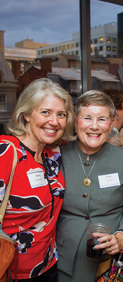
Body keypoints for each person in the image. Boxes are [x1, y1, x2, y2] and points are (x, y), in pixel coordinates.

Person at [56, 90, 123, 282]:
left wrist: (121, 237)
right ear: (76, 121)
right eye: (87, 118)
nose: (94, 126)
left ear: (111, 123)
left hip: (109, 265)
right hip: (63, 259)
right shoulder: (58, 155)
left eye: (102, 119)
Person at [0, 78, 75, 281]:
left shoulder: (53, 154)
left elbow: (89, 141)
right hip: (10, 271)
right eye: (45, 112)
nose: (54, 121)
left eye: (61, 114)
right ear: (26, 115)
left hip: (48, 266)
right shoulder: (6, 152)